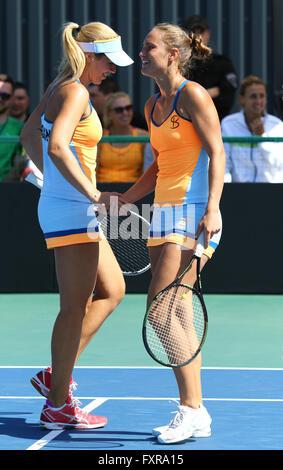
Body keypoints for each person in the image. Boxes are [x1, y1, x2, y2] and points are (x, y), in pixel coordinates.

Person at [20, 21, 133, 430]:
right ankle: (57, 405)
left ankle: (57, 376)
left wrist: (51, 180)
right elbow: (55, 144)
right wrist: (92, 194)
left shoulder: (58, 88)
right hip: (73, 210)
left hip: (68, 204)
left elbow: (29, 133)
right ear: (90, 54)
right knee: (74, 308)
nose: (113, 69)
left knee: (113, 289)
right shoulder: (75, 91)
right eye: (108, 60)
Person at [117, 23, 225, 444]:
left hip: (195, 211)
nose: (141, 53)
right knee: (177, 312)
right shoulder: (151, 106)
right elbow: (160, 165)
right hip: (163, 212)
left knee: (160, 311)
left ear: (173, 54)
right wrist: (127, 199)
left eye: (149, 47)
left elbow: (218, 152)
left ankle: (191, 409)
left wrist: (213, 208)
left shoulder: (193, 95)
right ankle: (196, 411)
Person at [222, 75, 283, 182]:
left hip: (271, 191)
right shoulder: (228, 124)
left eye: (262, 96)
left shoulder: (277, 125)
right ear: (242, 99)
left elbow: (278, 164)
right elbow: (224, 162)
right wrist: (226, 188)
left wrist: (262, 138)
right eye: (253, 96)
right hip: (238, 191)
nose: (258, 101)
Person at [182, 15, 238, 120]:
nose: (197, 36)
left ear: (208, 34)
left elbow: (227, 98)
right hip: (186, 123)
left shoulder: (223, 64)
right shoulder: (179, 64)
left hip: (217, 121)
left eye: (201, 32)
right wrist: (209, 93)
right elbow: (175, 98)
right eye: (193, 32)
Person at [97, 91, 149, 182]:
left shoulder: (143, 136)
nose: (125, 113)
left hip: (132, 192)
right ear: (109, 114)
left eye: (128, 108)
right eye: (119, 110)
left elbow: (148, 171)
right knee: (113, 197)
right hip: (104, 191)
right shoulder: (99, 137)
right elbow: (93, 171)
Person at [0, 74, 26, 181]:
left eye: (5, 96)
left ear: (11, 98)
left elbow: (23, 161)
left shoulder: (21, 128)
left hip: (7, 191)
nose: (0, 99)